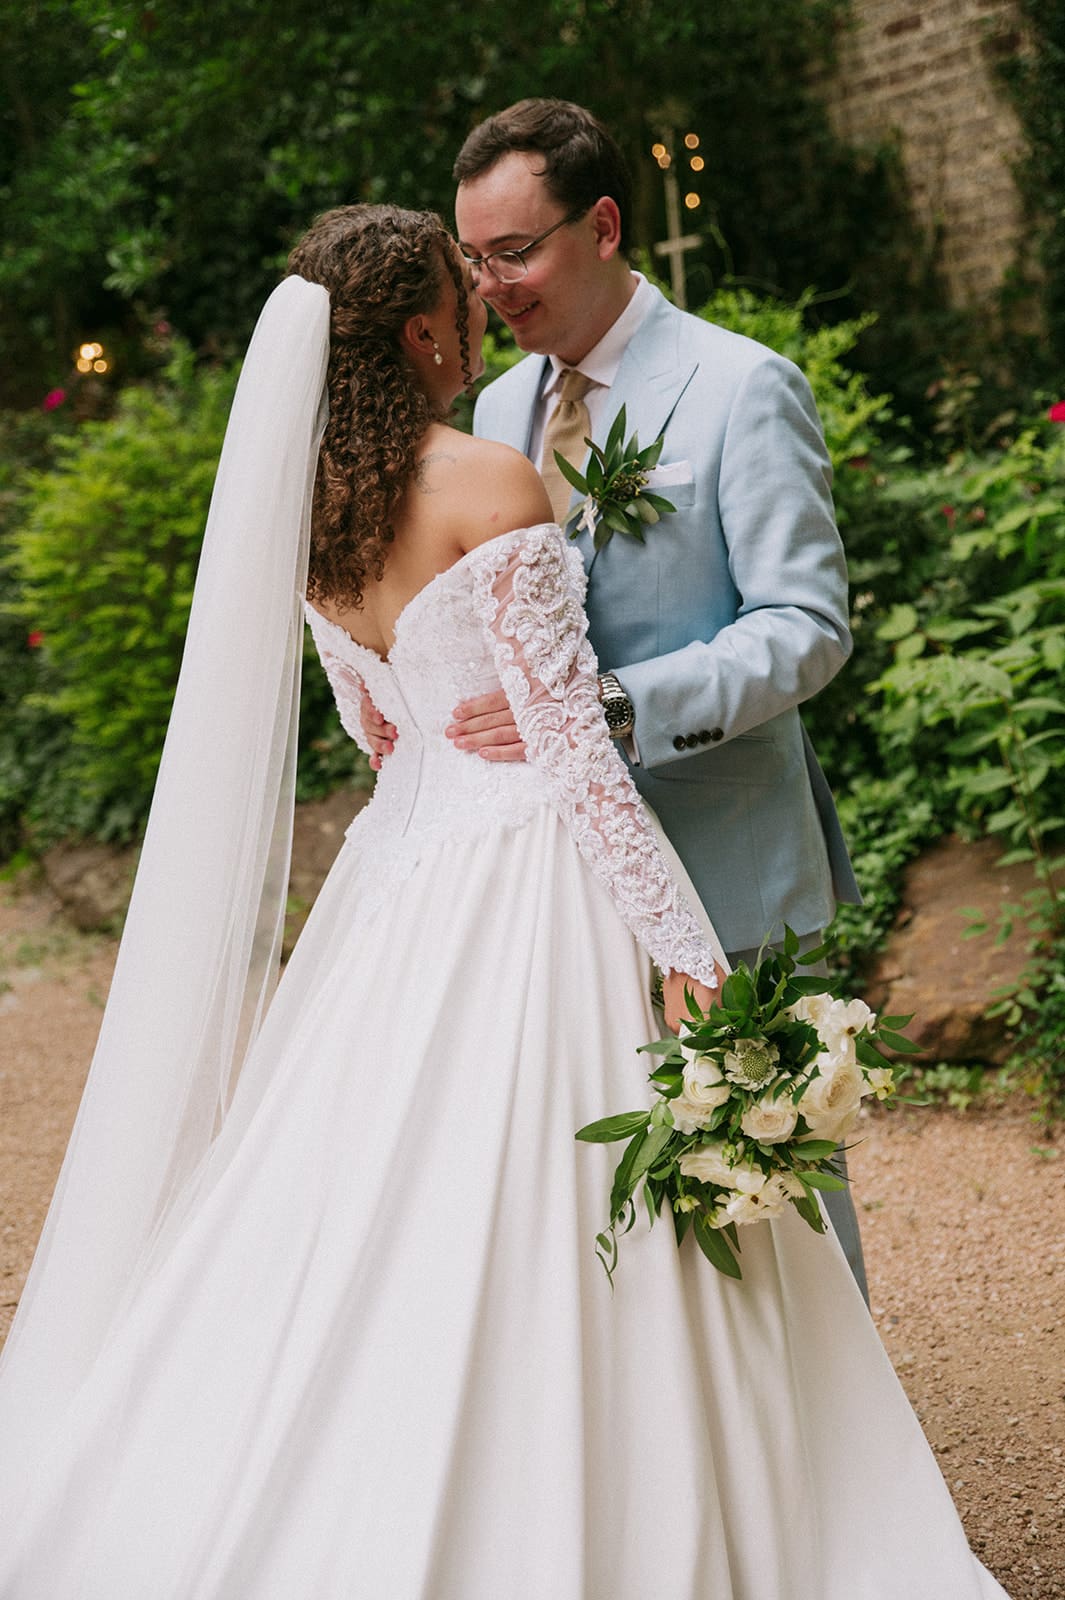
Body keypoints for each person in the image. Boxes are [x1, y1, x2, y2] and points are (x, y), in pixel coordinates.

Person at [0, 204, 1007, 1599]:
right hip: (532, 869)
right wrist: (683, 943)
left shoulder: (308, 515)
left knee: (371, 1191)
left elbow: (382, 733)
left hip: (397, 877)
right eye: (457, 293)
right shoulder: (489, 484)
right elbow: (578, 759)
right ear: (425, 333)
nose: (479, 306)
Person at [363, 98, 868, 1293]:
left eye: (515, 252)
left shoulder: (744, 387)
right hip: (547, 875)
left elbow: (807, 629)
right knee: (604, 1176)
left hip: (716, 843)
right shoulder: (495, 409)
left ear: (600, 224)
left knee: (768, 1159)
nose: (488, 287)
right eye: (473, 259)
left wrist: (620, 704)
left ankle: (843, 1449)